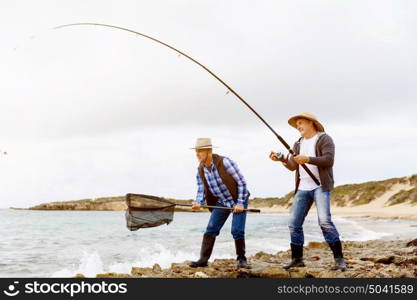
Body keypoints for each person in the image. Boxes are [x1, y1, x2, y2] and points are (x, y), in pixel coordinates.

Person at [269, 113, 347, 271]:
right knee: (294, 224)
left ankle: (339, 260)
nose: (298, 126)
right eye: (296, 125)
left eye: (300, 123)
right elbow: (293, 165)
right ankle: (297, 259)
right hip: (303, 187)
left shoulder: (324, 139)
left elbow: (328, 160)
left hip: (320, 186)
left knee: (324, 222)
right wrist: (282, 159)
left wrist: (308, 159)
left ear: (311, 123)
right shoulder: (298, 143)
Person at [189, 138, 250, 269]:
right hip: (222, 201)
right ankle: (203, 260)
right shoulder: (200, 170)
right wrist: (198, 202)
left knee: (237, 231)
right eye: (196, 151)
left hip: (238, 199)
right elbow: (201, 190)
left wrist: (239, 203)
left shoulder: (225, 162)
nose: (197, 154)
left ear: (209, 151)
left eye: (200, 151)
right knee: (211, 229)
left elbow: (242, 183)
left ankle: (241, 259)